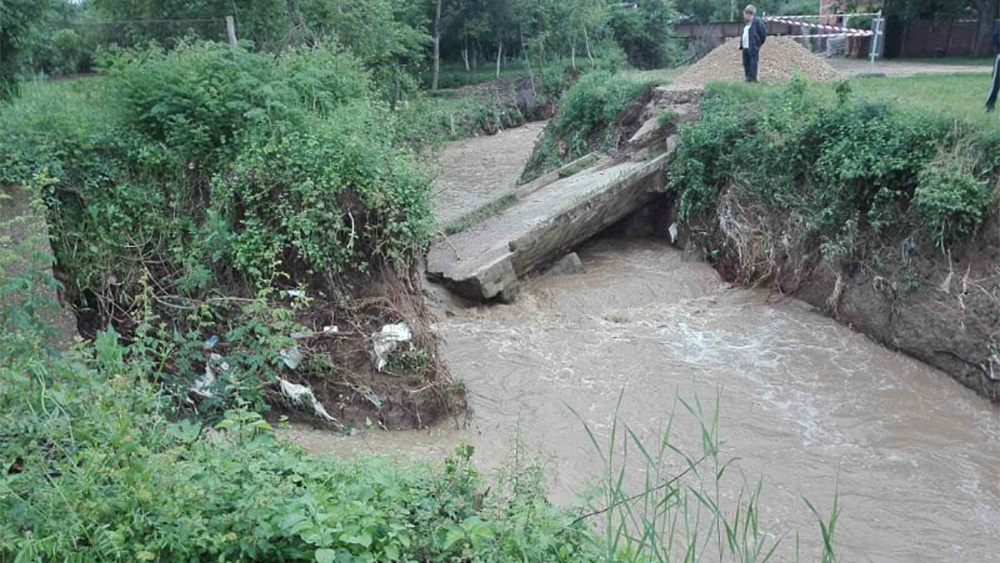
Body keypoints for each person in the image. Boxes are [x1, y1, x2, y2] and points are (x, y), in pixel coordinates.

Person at [740, 5, 768, 82]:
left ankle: (753, 79)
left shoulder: (757, 21)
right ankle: (748, 78)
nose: (744, 16)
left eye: (745, 14)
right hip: (745, 46)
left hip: (753, 46)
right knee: (746, 63)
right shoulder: (746, 23)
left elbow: (763, 33)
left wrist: (758, 43)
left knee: (753, 63)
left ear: (749, 14)